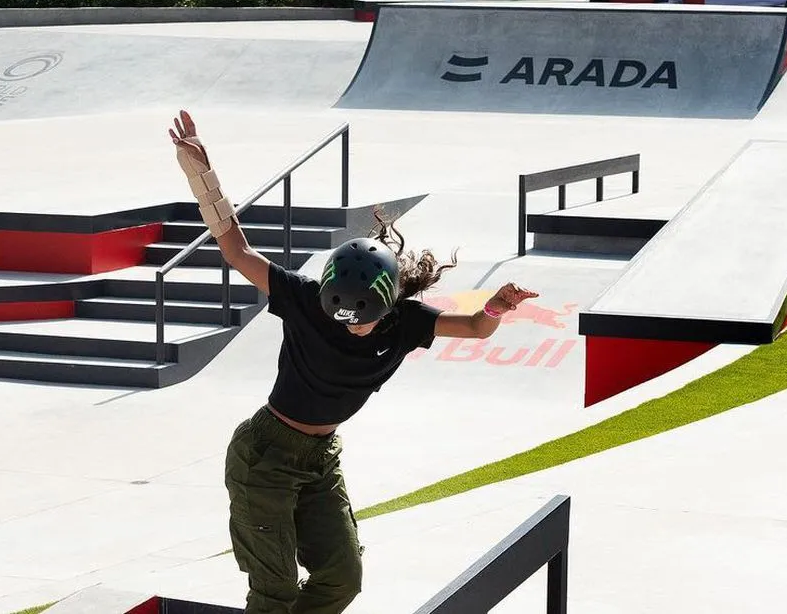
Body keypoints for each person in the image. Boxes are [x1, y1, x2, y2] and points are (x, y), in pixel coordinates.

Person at [168, 110, 539, 614]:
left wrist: (497, 306)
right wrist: (202, 175)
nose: (352, 327)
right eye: (342, 318)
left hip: (320, 460)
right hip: (265, 457)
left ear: (387, 304)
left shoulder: (406, 320)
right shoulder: (302, 298)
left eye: (363, 321)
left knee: (342, 580)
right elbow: (236, 249)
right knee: (273, 595)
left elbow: (474, 327)